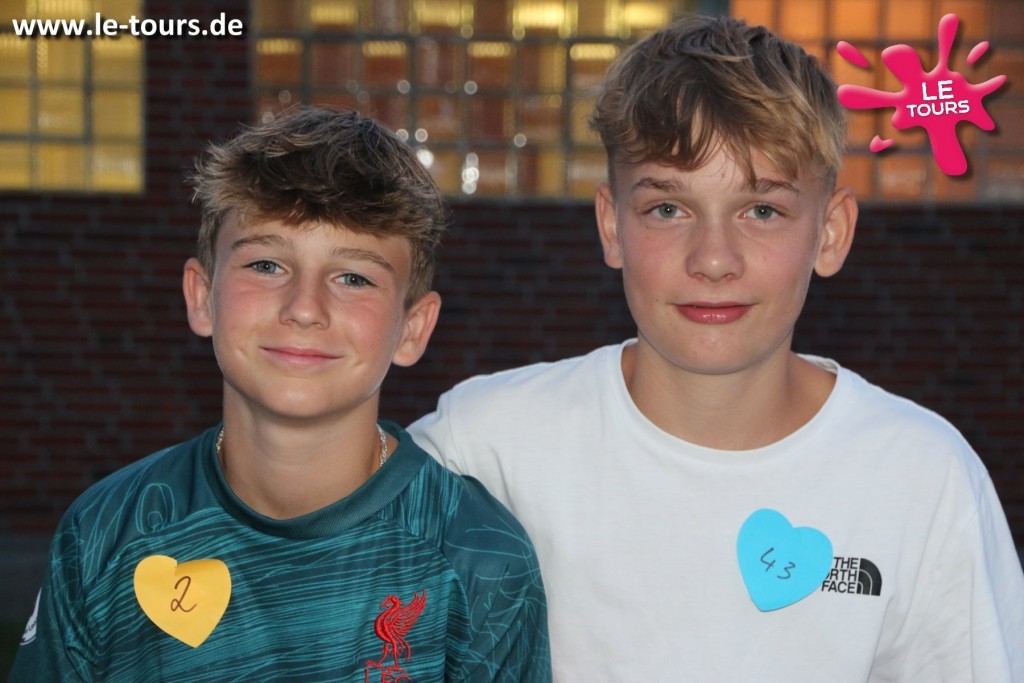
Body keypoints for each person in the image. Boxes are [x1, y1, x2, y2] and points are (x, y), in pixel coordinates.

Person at [408, 15, 1024, 682]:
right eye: (667, 209)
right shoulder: (485, 447)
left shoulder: (922, 477)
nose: (713, 259)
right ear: (612, 226)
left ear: (830, 233)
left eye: (762, 211)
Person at [10, 106, 550, 682]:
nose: (304, 308)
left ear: (412, 328)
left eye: (353, 278)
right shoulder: (108, 530)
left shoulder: (476, 557)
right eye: (266, 265)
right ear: (201, 296)